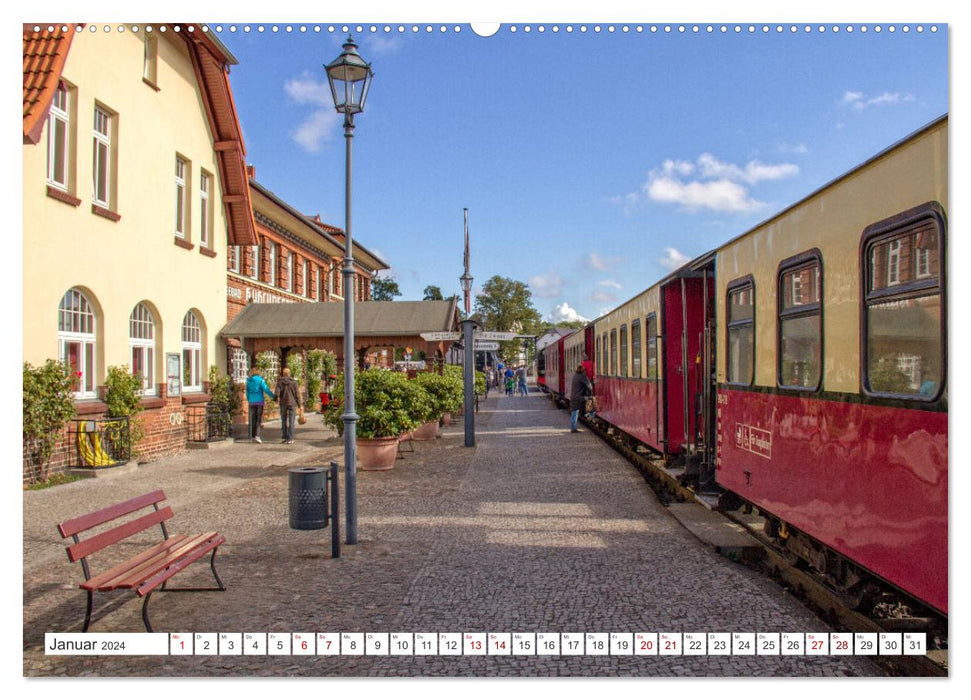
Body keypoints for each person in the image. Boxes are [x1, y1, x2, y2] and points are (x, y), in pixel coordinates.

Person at [246, 367, 275, 444]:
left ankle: (252, 436)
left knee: (253, 419)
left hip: (252, 401)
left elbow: (247, 392)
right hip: (259, 401)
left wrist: (249, 399)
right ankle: (257, 436)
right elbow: (266, 389)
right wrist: (273, 396)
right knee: (258, 419)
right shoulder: (260, 380)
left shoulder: (249, 381)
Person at [275, 367, 301, 444]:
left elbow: (277, 393)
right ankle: (290, 438)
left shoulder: (279, 382)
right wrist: (300, 404)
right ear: (289, 374)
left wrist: (275, 399)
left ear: (283, 374)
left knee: (283, 420)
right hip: (292, 403)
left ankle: (284, 437)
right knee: (291, 422)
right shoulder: (294, 382)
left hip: (283, 403)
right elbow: (297, 395)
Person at [569, 364, 593, 433]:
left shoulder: (575, 376)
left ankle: (573, 428)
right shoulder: (583, 377)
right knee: (591, 401)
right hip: (580, 397)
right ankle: (590, 416)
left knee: (574, 412)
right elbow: (589, 387)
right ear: (583, 371)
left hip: (573, 397)